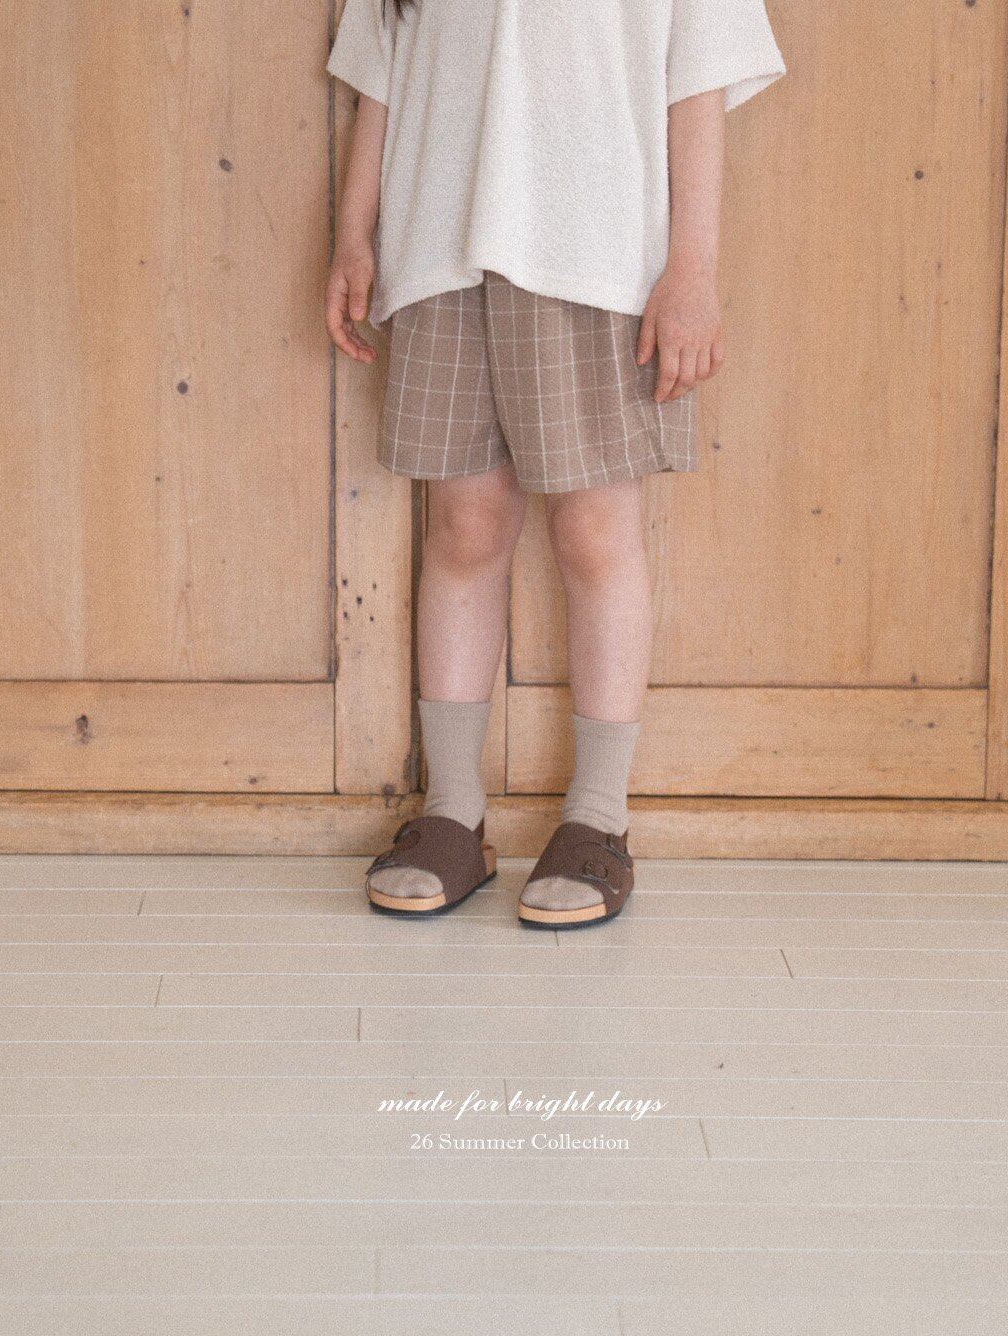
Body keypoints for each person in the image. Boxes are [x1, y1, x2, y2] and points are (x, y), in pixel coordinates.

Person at [325, 0, 784, 928]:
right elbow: (382, 66)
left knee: (594, 534)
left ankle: (598, 819)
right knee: (464, 528)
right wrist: (352, 235)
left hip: (597, 253)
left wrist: (693, 266)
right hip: (436, 248)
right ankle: (452, 813)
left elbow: (699, 74)